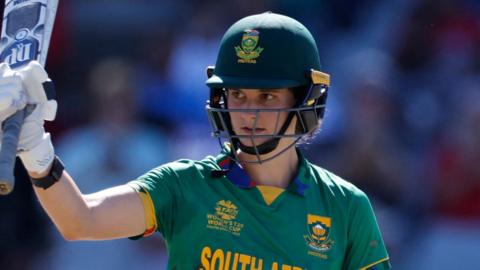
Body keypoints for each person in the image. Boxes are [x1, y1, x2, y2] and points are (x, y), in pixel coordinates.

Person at [0, 12, 391, 269]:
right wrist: (36, 151)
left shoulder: (345, 207)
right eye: (237, 95)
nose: (248, 113)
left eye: (267, 96)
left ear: (305, 101)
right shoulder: (185, 186)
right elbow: (80, 220)